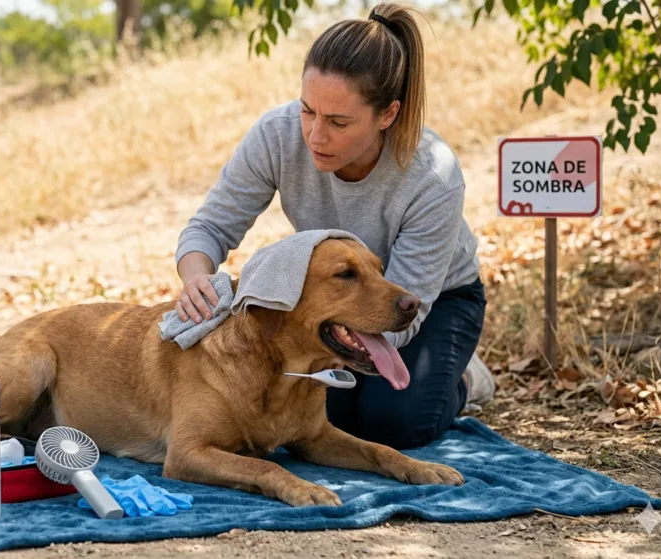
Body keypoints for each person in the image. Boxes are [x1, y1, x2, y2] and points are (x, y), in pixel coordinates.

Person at [172, 2, 493, 450]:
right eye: (308, 111)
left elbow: (403, 315)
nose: (315, 136)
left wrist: (339, 350)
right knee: (312, 415)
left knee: (393, 422)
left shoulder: (433, 176)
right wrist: (196, 278)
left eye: (338, 122)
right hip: (332, 300)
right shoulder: (276, 135)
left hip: (422, 304)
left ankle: (462, 376)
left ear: (387, 115)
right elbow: (209, 227)